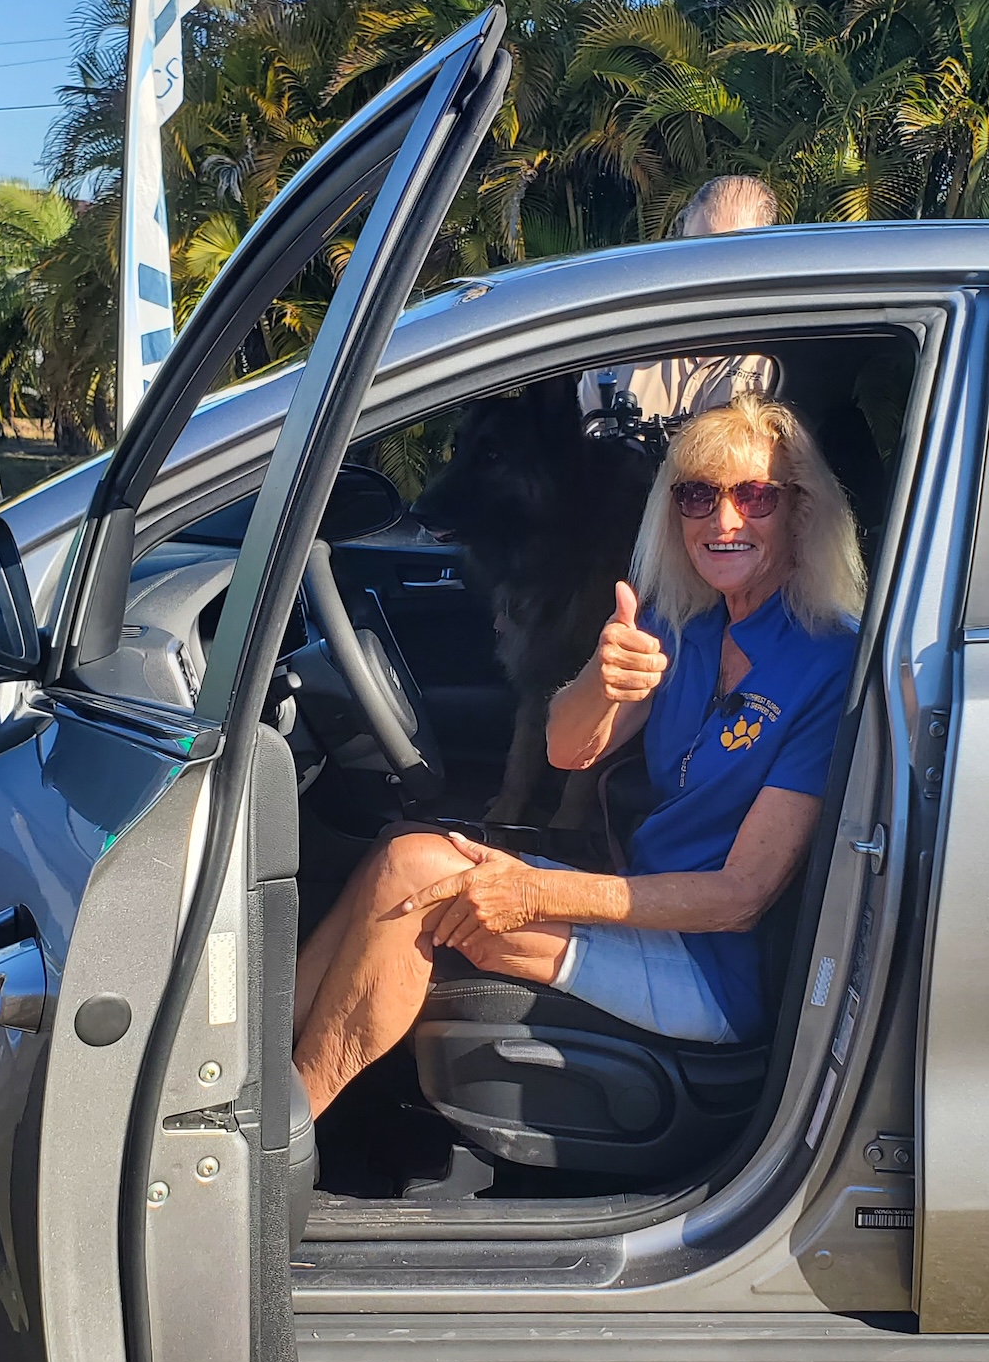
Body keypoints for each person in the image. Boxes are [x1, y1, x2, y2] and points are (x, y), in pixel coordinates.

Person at [293, 393, 867, 1116]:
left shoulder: (828, 659)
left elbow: (740, 897)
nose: (724, 521)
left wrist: (534, 891)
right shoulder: (681, 619)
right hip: (644, 908)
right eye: (697, 495)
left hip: (713, 968)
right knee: (399, 850)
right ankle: (260, 1089)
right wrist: (604, 674)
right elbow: (569, 747)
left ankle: (278, 1140)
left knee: (416, 876)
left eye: (754, 496)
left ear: (799, 511)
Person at [577, 175, 783, 436]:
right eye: (699, 249)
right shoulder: (621, 339)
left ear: (763, 258)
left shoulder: (779, 353)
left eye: (732, 253)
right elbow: (587, 453)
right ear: (680, 240)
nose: (711, 269)